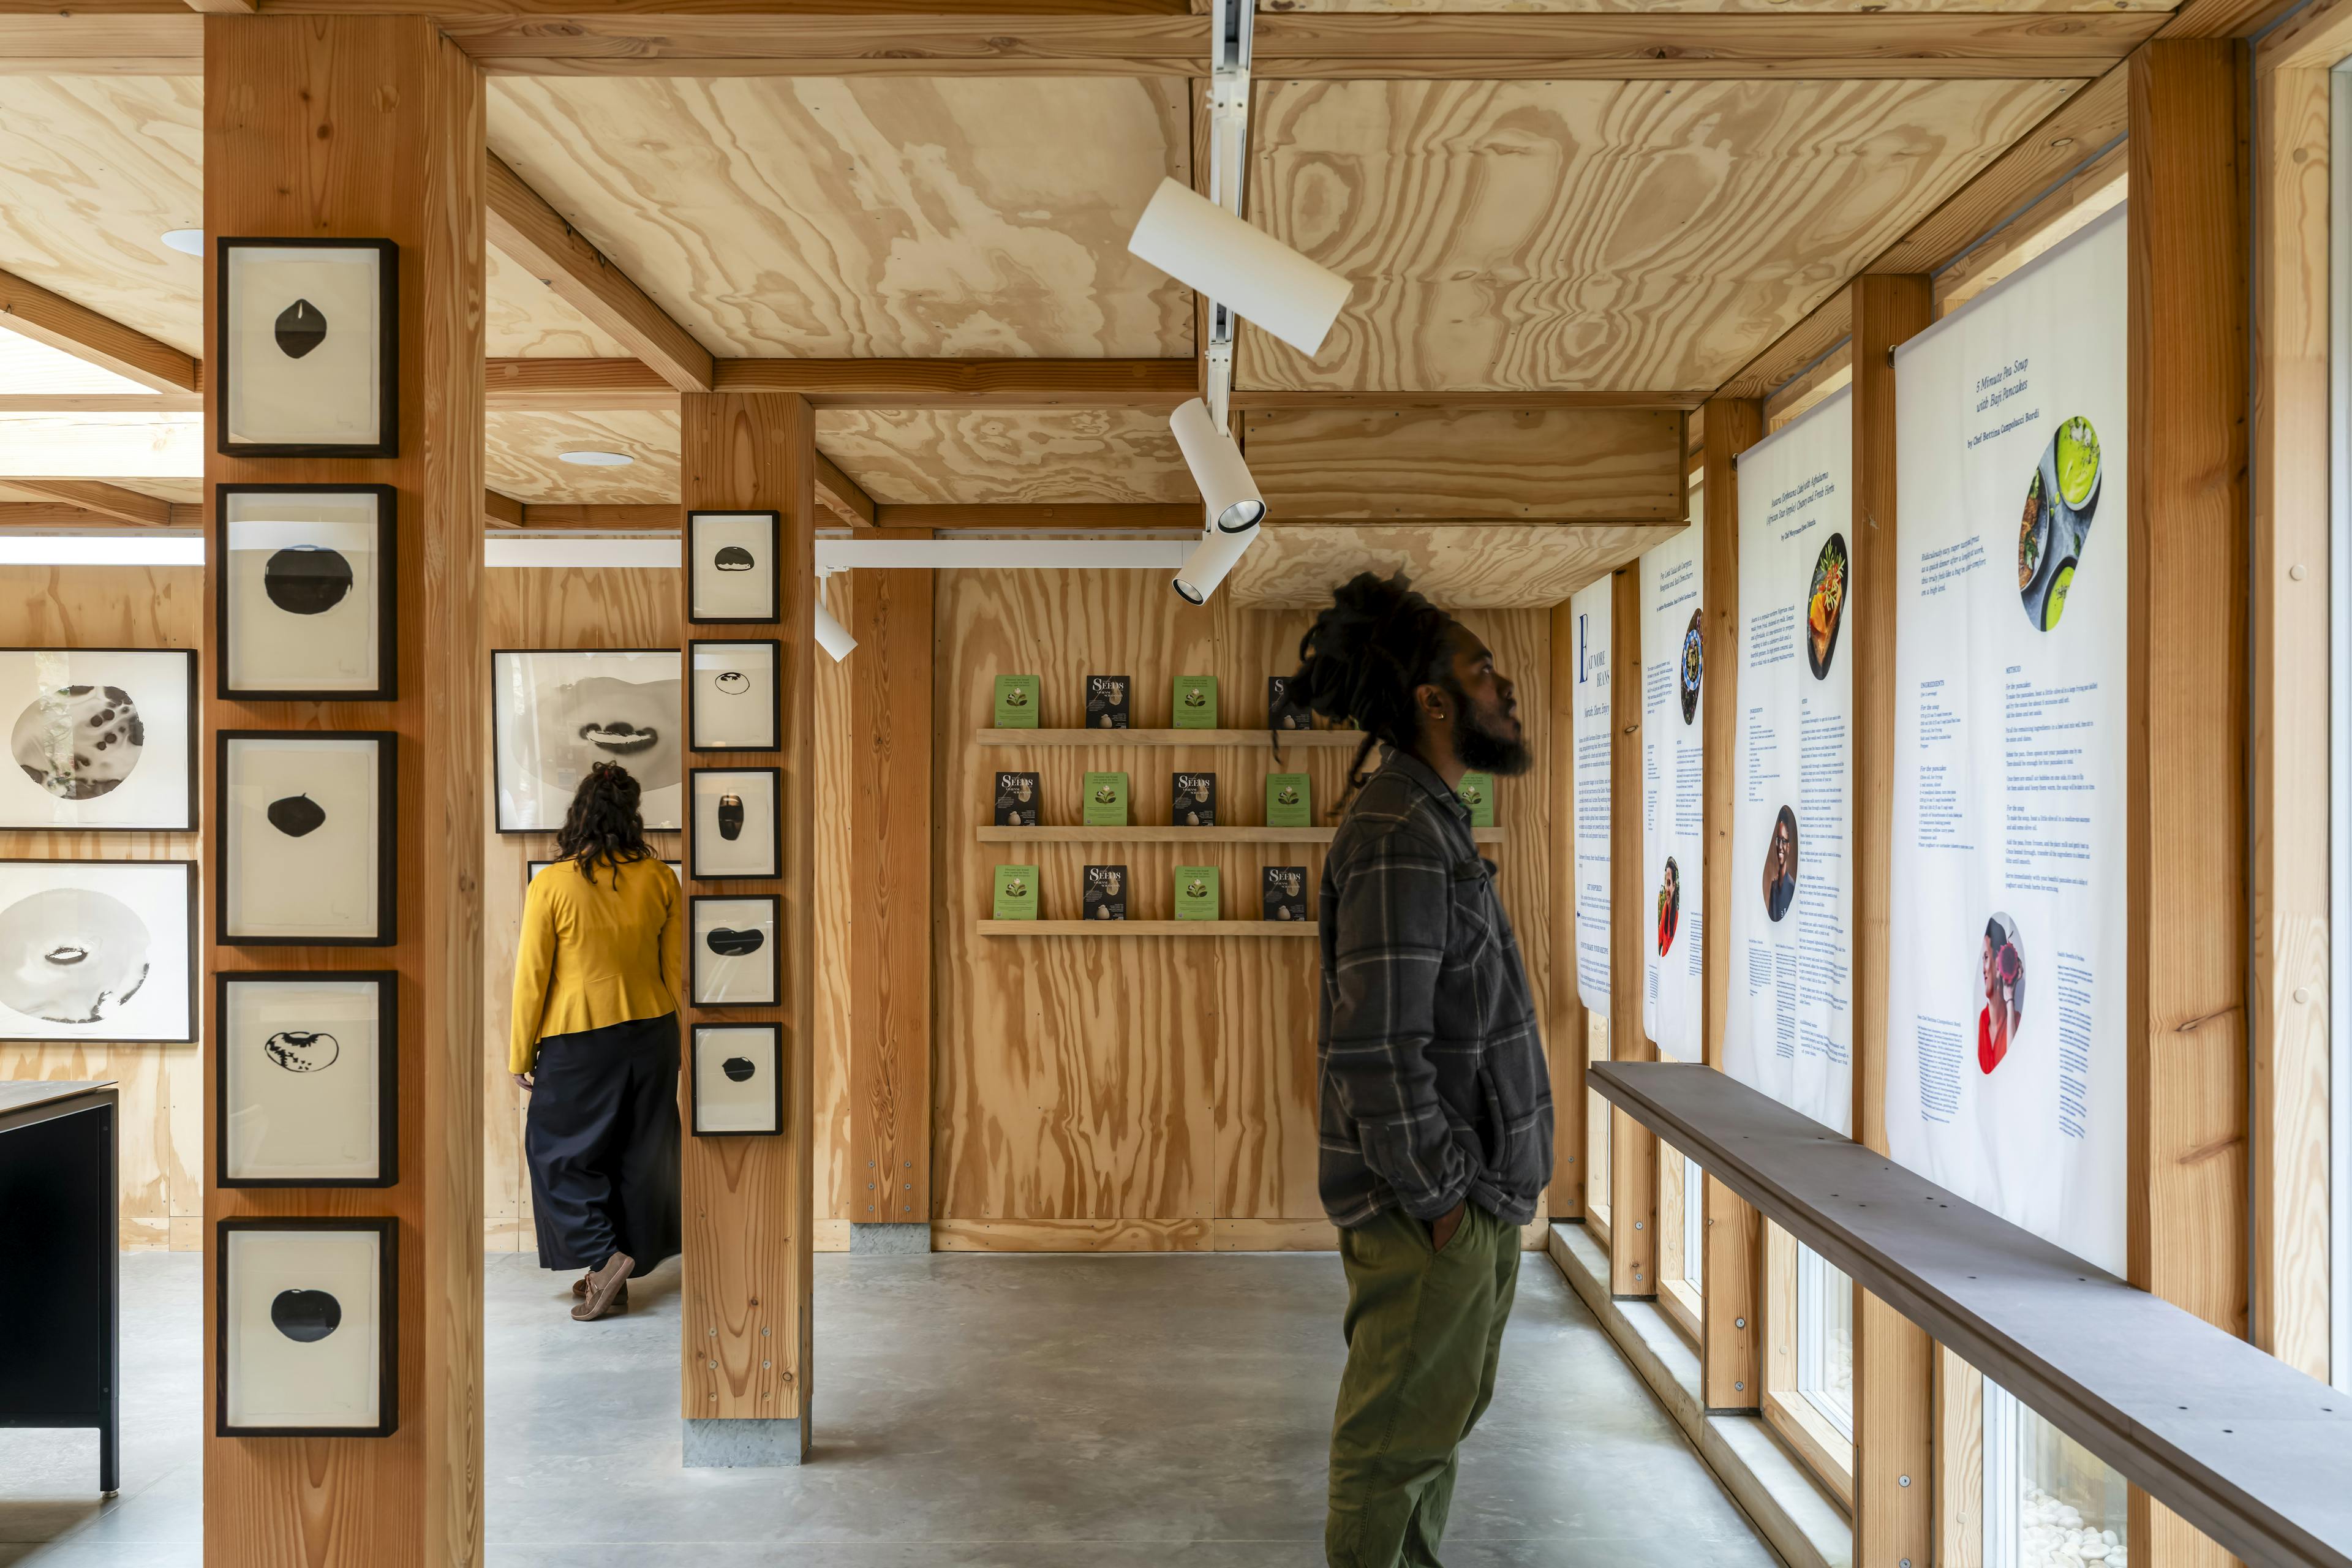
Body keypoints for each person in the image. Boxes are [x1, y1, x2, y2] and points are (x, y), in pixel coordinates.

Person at [1286, 571, 1551, 1568]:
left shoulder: (1429, 815)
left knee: (1432, 1431)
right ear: (1432, 701)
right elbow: (1375, 1048)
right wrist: (1440, 1196)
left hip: (1470, 1201)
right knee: (1392, 1442)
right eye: (1483, 669)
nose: (1502, 685)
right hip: (1432, 1215)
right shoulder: (1399, 830)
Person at [510, 761, 684, 1321]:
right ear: (632, 817)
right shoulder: (660, 880)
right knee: (636, 1156)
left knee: (557, 1154)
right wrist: (681, 1047)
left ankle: (604, 1259)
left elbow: (532, 976)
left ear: (578, 815)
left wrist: (520, 1052)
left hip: (579, 1037)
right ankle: (612, 1273)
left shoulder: (553, 883)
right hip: (653, 1033)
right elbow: (676, 971)